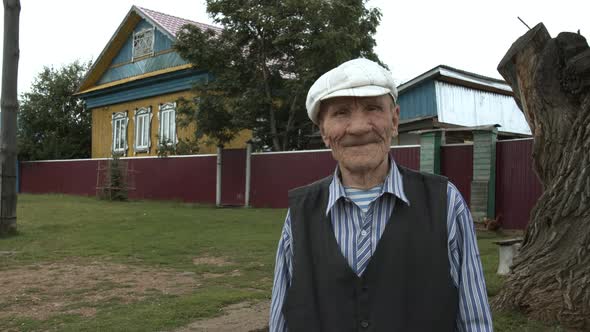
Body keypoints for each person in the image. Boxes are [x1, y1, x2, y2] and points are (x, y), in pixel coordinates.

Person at [269, 58, 493, 332]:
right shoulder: (300, 214)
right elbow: (282, 319)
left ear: (395, 120)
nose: (359, 127)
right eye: (341, 113)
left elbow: (474, 321)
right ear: (324, 131)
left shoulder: (445, 202)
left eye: (373, 108)